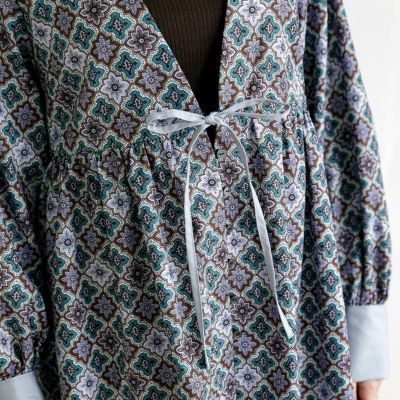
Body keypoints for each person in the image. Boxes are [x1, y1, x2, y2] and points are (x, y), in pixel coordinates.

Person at [0, 0, 391, 399]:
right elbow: (10, 173)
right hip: (120, 333)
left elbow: (335, 112)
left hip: (296, 321)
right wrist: (15, 372)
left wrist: (364, 320)